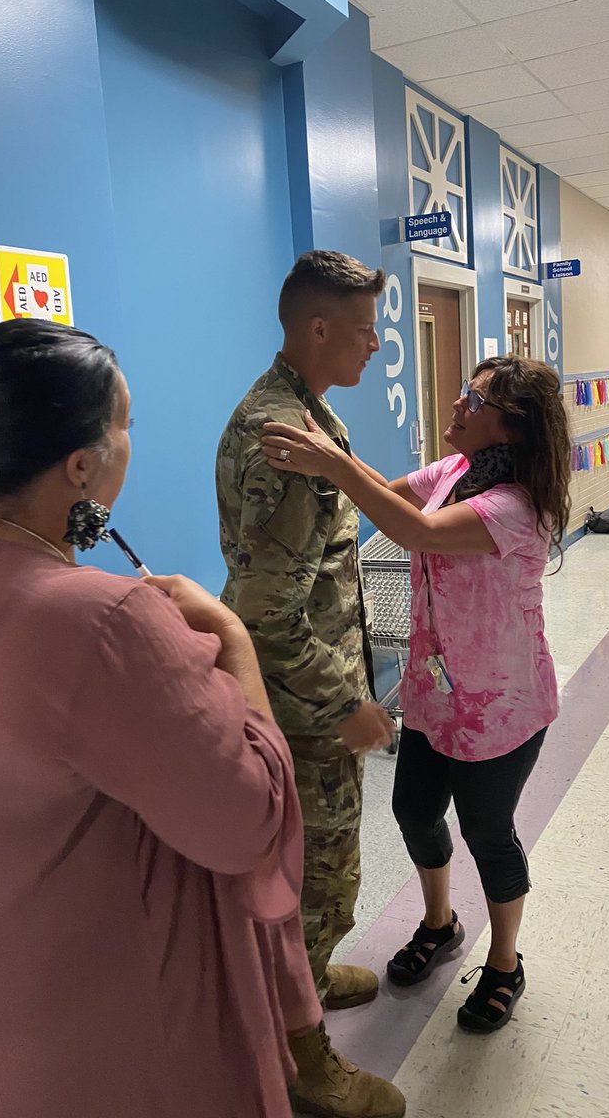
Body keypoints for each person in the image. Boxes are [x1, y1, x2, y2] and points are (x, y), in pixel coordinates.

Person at [0, 312, 324, 1118]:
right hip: (101, 1041)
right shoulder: (99, 621)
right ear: (80, 466)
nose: (132, 441)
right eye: (126, 422)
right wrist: (234, 645)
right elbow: (246, 819)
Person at [263, 354, 571, 1035]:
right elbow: (388, 494)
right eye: (463, 390)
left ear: (511, 429)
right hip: (436, 695)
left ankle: (504, 963)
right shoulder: (456, 473)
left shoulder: (516, 507)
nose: (458, 405)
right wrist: (330, 458)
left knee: (488, 833)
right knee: (413, 810)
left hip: (502, 704)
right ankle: (440, 923)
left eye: (475, 398)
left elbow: (416, 532)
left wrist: (332, 464)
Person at [216, 251, 405, 1118]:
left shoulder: (302, 416)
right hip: (304, 709)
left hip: (305, 693)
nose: (376, 345)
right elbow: (266, 613)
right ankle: (304, 1063)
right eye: (365, 330)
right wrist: (347, 703)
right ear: (318, 328)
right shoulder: (288, 440)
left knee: (321, 874)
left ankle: (315, 979)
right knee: (316, 879)